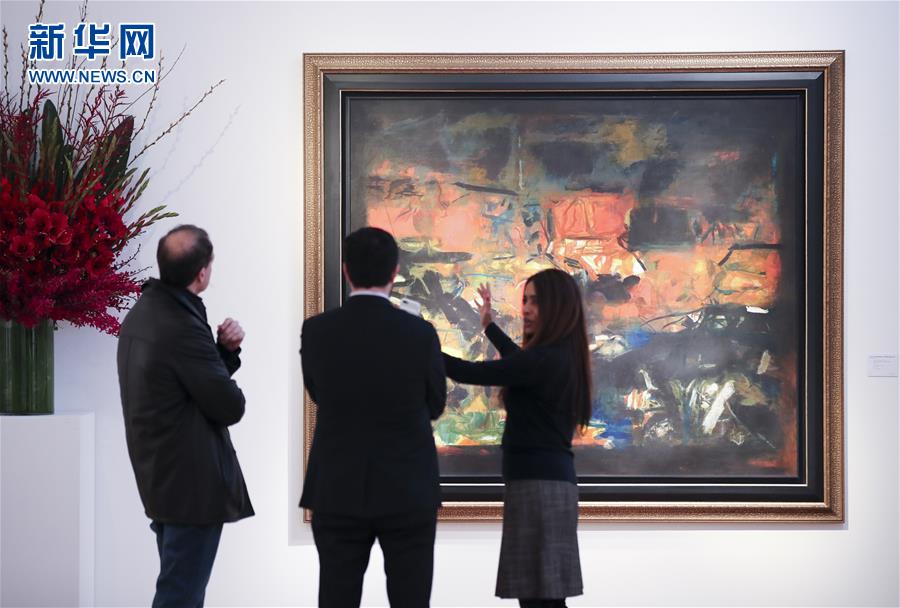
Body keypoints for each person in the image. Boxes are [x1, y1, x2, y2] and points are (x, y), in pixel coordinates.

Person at [300, 226, 446, 608]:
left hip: (337, 485)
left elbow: (317, 394)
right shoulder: (420, 333)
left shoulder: (316, 331)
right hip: (408, 487)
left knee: (336, 597)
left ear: (346, 270)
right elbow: (436, 404)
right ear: (395, 272)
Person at [117, 225, 253, 608]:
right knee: (180, 597)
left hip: (162, 477)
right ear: (202, 272)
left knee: (179, 590)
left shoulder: (143, 313)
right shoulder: (181, 326)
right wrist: (224, 354)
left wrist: (221, 352)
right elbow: (229, 406)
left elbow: (182, 389)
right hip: (190, 487)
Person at [442, 269, 590, 608]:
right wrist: (489, 326)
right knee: (540, 597)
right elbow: (519, 363)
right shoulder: (555, 355)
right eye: (525, 300)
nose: (525, 309)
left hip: (540, 488)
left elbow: (471, 372)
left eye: (535, 301)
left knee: (541, 600)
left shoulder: (546, 359)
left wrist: (420, 346)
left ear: (557, 306)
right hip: (542, 484)